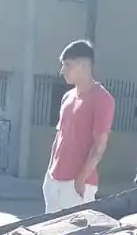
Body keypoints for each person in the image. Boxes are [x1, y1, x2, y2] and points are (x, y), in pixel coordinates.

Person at [43, 39, 115, 214]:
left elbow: (100, 145)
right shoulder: (67, 97)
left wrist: (81, 179)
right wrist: (49, 174)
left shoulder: (102, 99)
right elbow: (59, 137)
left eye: (67, 65)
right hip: (54, 181)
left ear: (84, 65)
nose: (62, 70)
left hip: (76, 185)